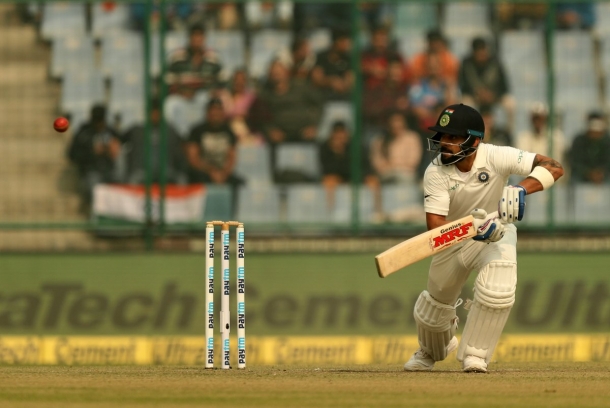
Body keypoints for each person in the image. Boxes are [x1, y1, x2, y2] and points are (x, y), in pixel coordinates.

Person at [403, 103, 563, 373]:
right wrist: (473, 228)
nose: (445, 143)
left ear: (474, 140)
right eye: (443, 136)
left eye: (453, 137)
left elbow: (554, 166)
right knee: (433, 311)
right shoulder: (435, 172)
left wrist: (521, 189)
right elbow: (436, 227)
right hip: (452, 240)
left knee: (498, 287)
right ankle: (431, 350)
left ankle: (475, 354)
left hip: (496, 232)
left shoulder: (496, 156)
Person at [122, 99, 187, 185]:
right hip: (141, 171)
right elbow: (119, 141)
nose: (155, 116)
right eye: (152, 112)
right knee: (133, 180)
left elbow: (184, 147)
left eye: (157, 113)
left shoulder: (170, 131)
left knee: (181, 179)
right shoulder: (137, 130)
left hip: (166, 171)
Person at [67, 105, 122, 206]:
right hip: (90, 172)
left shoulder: (110, 131)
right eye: (97, 121)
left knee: (120, 182)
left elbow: (121, 145)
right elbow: (72, 155)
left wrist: (113, 148)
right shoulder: (84, 133)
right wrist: (92, 152)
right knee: (95, 185)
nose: (99, 124)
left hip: (110, 171)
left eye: (101, 121)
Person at [458, 37, 514, 131]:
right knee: (463, 105)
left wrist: (493, 95)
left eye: (483, 50)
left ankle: (508, 133)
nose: (482, 54)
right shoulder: (467, 63)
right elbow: (462, 86)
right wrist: (476, 94)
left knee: (510, 104)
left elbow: (505, 86)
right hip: (474, 97)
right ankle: (465, 133)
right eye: (479, 51)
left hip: (494, 96)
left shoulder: (495, 62)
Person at [185, 98, 240, 185]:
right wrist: (210, 170)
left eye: (218, 110)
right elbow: (193, 158)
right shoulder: (197, 131)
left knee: (239, 184)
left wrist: (224, 173)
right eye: (213, 110)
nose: (215, 113)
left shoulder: (229, 132)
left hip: (222, 172)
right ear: (207, 112)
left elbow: (231, 157)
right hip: (202, 172)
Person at [167, 24, 222, 94]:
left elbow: (221, 80)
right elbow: (169, 79)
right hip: (182, 95)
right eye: (194, 36)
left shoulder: (213, 58)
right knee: (172, 101)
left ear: (204, 38)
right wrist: (180, 89)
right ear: (189, 38)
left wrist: (213, 91)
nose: (197, 40)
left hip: (206, 94)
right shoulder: (178, 57)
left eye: (199, 36)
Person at [370, 112, 423, 184]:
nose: (396, 126)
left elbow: (413, 162)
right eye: (393, 125)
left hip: (406, 174)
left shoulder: (412, 138)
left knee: (404, 177)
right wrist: (393, 167)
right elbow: (377, 163)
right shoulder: (380, 141)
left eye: (398, 124)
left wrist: (393, 165)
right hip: (386, 175)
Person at [311, 29, 354, 101]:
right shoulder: (322, 57)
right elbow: (316, 79)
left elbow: (350, 78)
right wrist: (330, 81)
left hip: (343, 99)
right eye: (344, 42)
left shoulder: (348, 59)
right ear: (336, 42)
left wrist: (344, 84)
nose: (347, 45)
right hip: (322, 98)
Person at [569, 111, 610, 184]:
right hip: (582, 175)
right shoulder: (579, 140)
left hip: (604, 175)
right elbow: (575, 161)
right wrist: (588, 173)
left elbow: (607, 162)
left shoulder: (607, 141)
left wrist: (600, 173)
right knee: (575, 179)